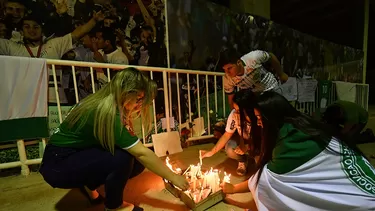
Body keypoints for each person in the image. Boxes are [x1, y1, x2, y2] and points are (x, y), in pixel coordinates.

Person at [39, 68, 189, 211]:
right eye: (139, 99)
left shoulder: (107, 102)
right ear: (126, 93)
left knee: (136, 162)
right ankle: (113, 206)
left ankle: (90, 185)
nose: (140, 105)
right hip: (58, 165)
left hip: (71, 155)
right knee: (123, 158)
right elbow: (141, 153)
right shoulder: (108, 113)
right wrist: (173, 177)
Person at [221, 91, 375, 210]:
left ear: (272, 118)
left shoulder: (289, 142)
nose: (259, 124)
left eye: (260, 119)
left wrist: (233, 189)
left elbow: (263, 181)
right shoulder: (303, 123)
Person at [201, 90, 256, 176]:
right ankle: (243, 160)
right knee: (230, 148)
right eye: (234, 109)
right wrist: (212, 151)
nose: (235, 112)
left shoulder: (257, 117)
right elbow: (227, 134)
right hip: (244, 139)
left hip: (258, 142)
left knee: (258, 157)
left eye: (238, 110)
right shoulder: (234, 115)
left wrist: (248, 147)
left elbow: (264, 139)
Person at [219, 48, 289, 109]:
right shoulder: (227, 79)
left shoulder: (253, 58)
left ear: (238, 62)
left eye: (229, 68)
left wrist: (281, 74)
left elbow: (270, 56)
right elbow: (231, 100)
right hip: (256, 99)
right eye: (224, 70)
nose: (227, 72)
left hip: (272, 88)